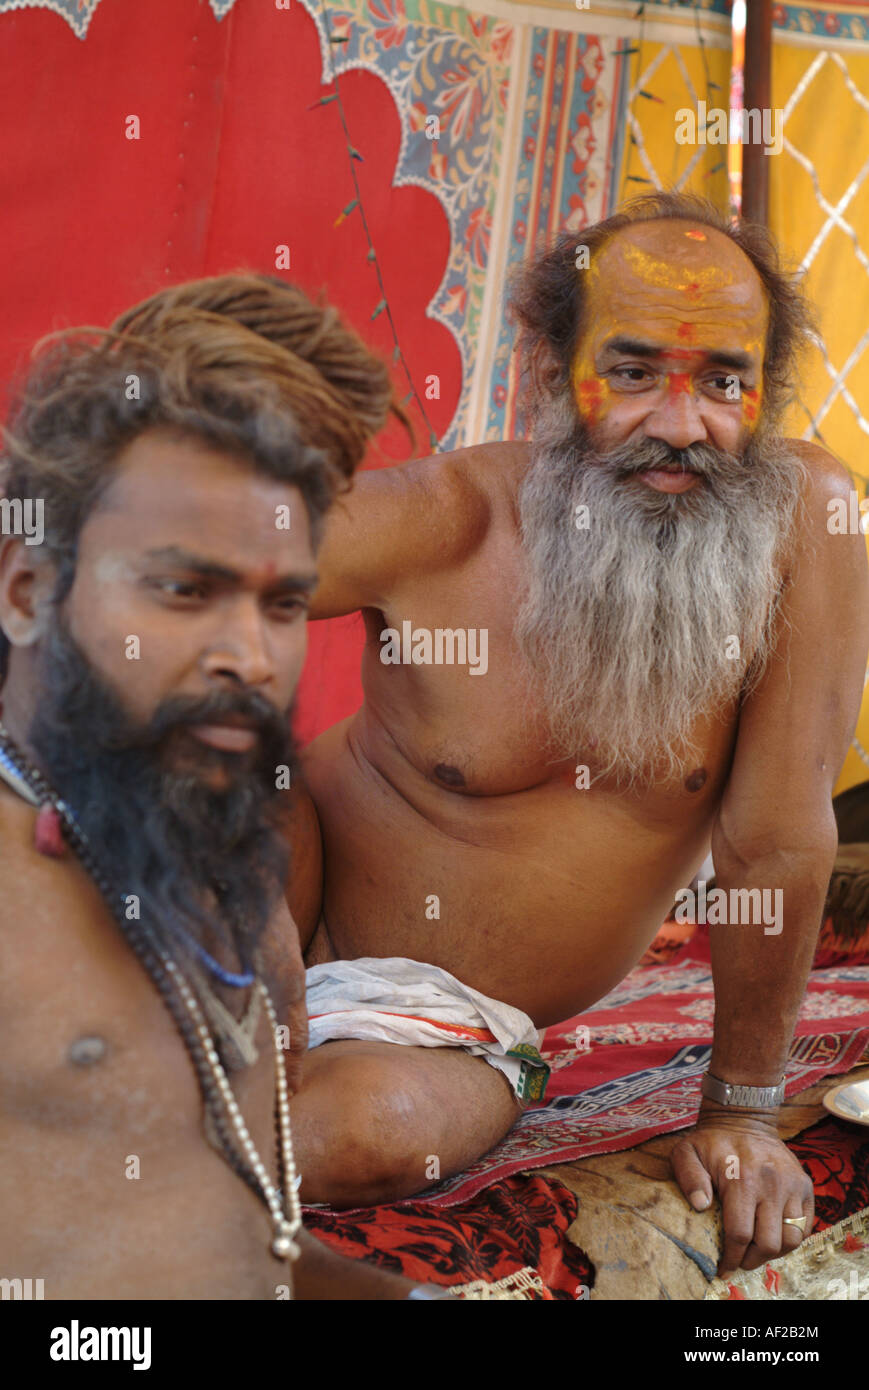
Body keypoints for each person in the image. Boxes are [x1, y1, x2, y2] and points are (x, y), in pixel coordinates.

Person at [291, 191, 869, 1277]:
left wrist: (740, 1109)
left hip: (440, 1020)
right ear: (556, 376)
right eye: (634, 371)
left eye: (723, 382)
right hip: (267, 906)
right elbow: (165, 566)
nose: (679, 424)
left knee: (363, 1136)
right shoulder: (449, 514)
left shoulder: (806, 523)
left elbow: (776, 838)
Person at [0, 274, 425, 1299]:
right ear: (28, 589)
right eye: (185, 590)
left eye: (283, 601)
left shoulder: (212, 860)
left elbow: (248, 1243)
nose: (248, 654)